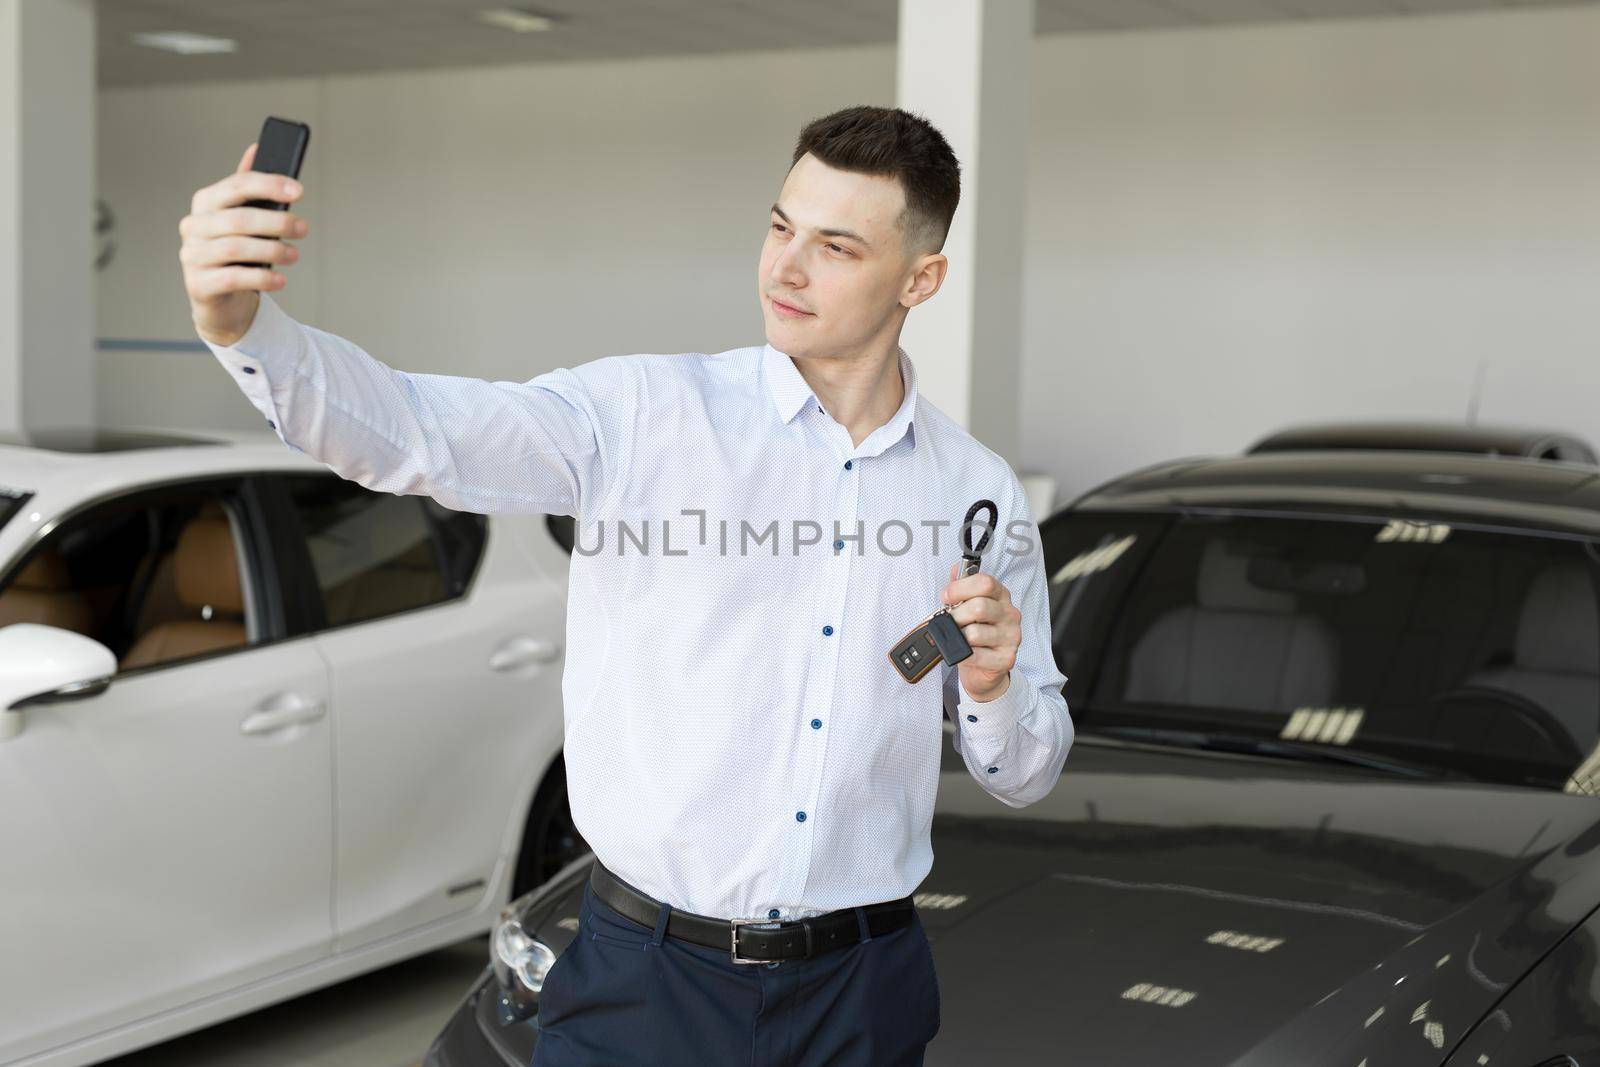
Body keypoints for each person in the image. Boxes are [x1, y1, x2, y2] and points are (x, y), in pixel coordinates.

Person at [178, 104, 1072, 1066]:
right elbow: (417, 430)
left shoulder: (975, 491)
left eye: (836, 247)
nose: (784, 267)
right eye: (779, 227)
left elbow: (1026, 770)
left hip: (860, 992)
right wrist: (245, 327)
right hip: (644, 981)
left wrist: (989, 689)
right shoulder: (644, 414)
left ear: (920, 278)